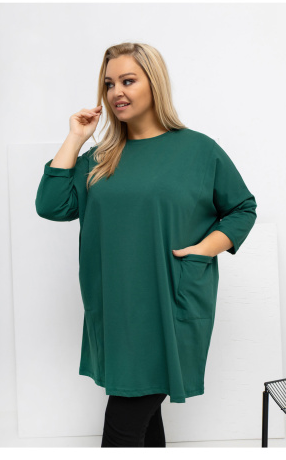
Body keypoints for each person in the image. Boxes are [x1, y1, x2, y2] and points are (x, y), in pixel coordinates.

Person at [35, 42, 257, 447]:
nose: (116, 92)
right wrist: (76, 137)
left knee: (125, 421)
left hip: (170, 301)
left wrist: (205, 248)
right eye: (109, 84)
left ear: (154, 83)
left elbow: (242, 208)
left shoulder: (198, 150)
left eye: (128, 80)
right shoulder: (100, 158)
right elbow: (51, 205)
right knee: (141, 415)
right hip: (115, 308)